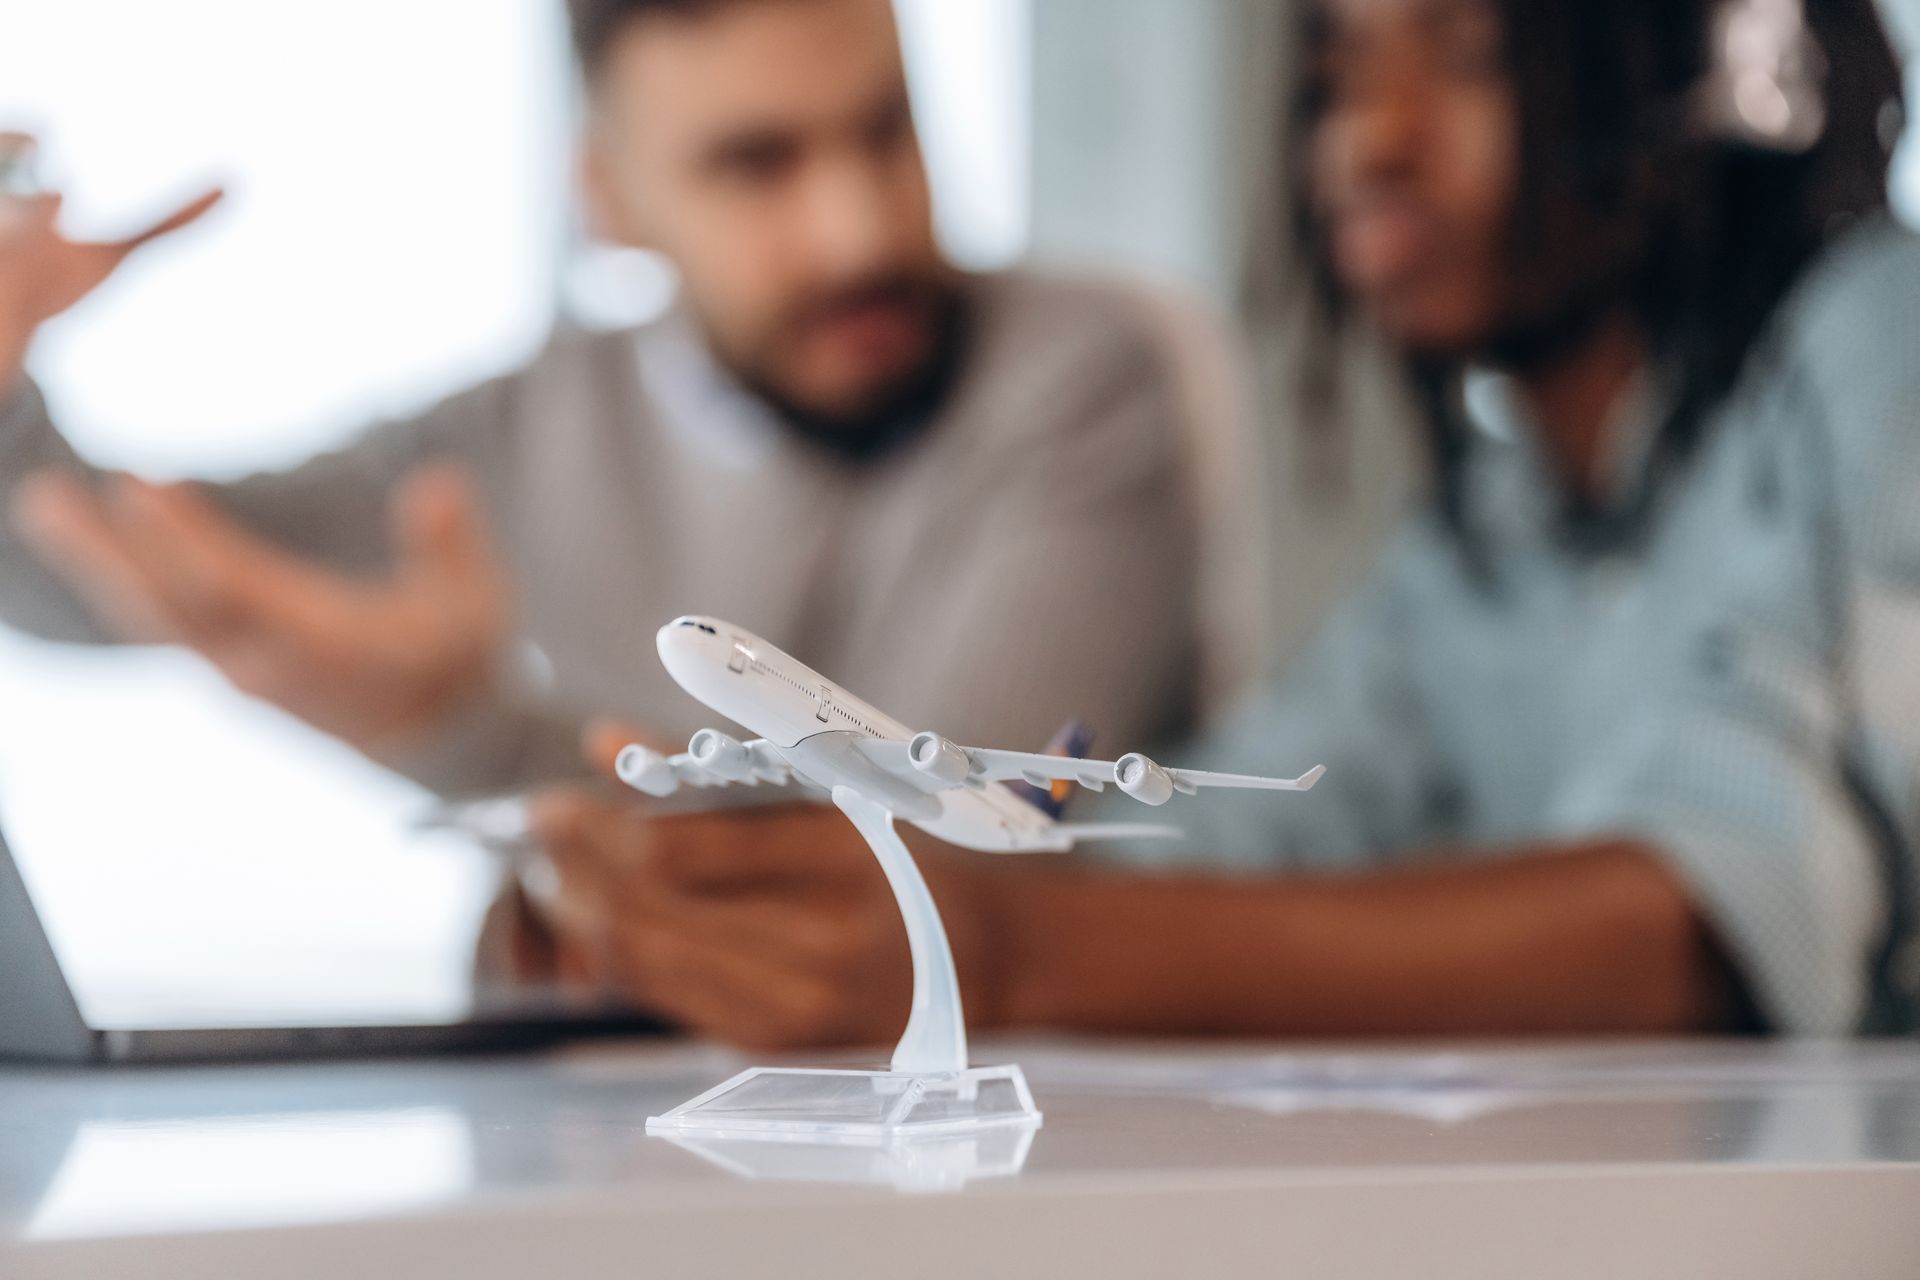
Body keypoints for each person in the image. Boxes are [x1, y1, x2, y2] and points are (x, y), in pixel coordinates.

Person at [520, 0, 1920, 1048]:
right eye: (1333, 76)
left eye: (1470, 54)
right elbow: (1239, 828)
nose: (1367, 141)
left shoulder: (1879, 349)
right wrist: (732, 909)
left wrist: (1003, 948)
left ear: (1701, 62)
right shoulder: (1490, 534)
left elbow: (1711, 924)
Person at [0, 0, 1202, 799]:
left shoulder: (1075, 371)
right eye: (756, 163)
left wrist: (457, 725)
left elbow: (938, 841)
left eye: (886, 131)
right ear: (608, 200)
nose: (860, 232)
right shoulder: (517, 434)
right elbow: (94, 576)